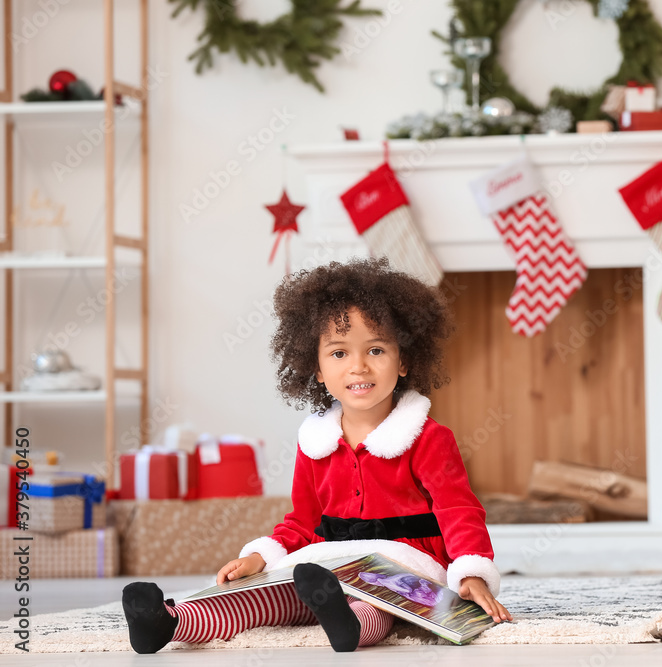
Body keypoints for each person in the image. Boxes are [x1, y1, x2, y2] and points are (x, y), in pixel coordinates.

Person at [122, 257, 511, 653]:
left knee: (378, 602)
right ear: (318, 369)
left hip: (404, 563)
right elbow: (303, 521)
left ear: (406, 360)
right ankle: (172, 623)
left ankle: (350, 625)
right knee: (267, 597)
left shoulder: (429, 437)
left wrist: (470, 572)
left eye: (375, 349)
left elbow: (459, 511)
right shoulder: (315, 441)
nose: (358, 366)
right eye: (339, 353)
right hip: (329, 560)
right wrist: (261, 556)